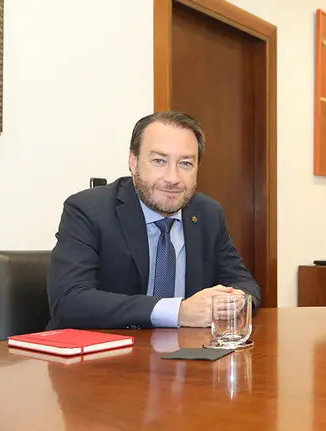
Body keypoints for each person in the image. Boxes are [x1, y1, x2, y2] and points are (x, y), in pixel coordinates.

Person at [46, 110, 261, 330]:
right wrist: (179, 312)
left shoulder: (208, 214)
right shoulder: (88, 210)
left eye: (185, 163)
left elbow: (244, 285)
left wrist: (233, 302)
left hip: (185, 356)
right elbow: (68, 302)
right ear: (133, 161)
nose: (172, 178)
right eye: (159, 161)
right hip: (102, 357)